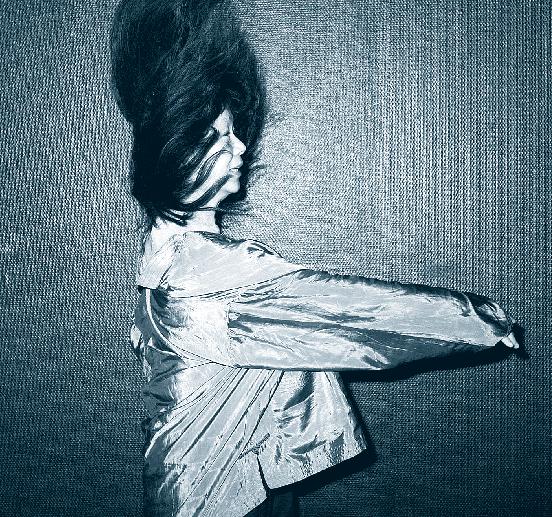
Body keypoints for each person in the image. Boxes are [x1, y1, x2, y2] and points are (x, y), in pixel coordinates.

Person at [109, 1, 520, 516]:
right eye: (219, 137)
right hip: (219, 493)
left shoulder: (166, 250)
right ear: (177, 150)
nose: (240, 148)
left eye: (235, 132)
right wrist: (477, 320)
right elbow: (351, 313)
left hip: (208, 477)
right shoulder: (210, 275)